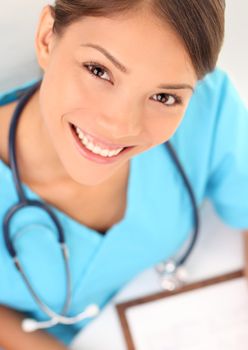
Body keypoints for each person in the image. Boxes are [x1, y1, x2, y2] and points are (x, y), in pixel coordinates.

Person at [0, 0, 247, 348]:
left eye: (163, 96)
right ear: (46, 38)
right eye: (99, 71)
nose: (121, 126)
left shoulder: (210, 109)